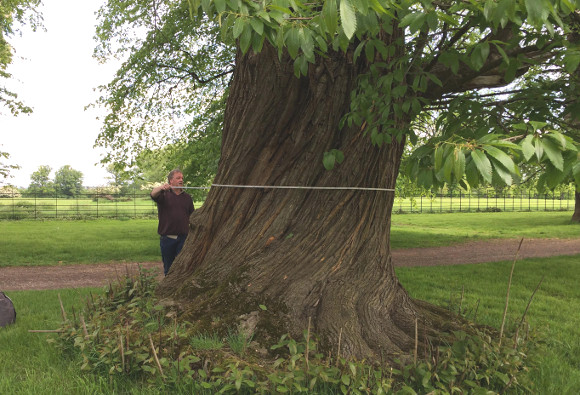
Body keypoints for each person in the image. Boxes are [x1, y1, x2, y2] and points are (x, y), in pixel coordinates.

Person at [150, 169, 194, 275]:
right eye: (178, 178)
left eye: (182, 178)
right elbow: (153, 194)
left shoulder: (187, 197)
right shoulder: (163, 195)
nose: (181, 180)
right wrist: (161, 188)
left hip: (183, 239)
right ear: (171, 181)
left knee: (182, 267)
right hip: (167, 239)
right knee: (168, 268)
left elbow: (192, 215)